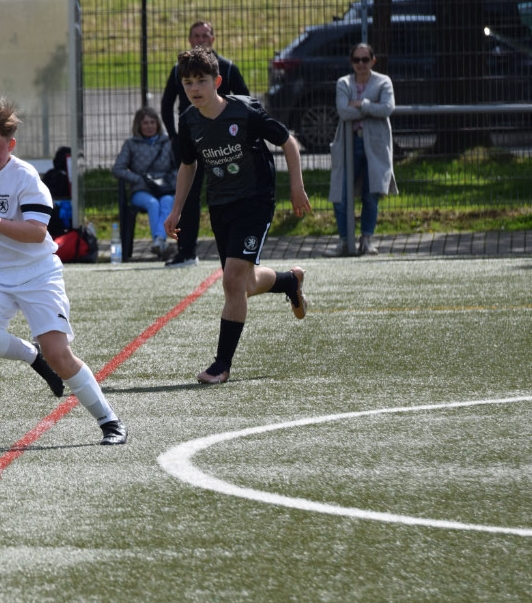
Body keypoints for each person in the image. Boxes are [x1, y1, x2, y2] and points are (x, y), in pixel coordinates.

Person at [0, 98, 127, 446]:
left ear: (10, 144)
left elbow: (37, 232)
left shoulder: (26, 177)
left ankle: (109, 420)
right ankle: (32, 355)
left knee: (59, 354)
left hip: (38, 273)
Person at [164, 47, 311, 385]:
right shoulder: (188, 121)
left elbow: (288, 142)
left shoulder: (244, 112)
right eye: (188, 82)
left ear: (216, 81)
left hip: (255, 201)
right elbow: (188, 165)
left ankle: (221, 365)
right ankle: (289, 281)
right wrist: (176, 210)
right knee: (244, 284)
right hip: (221, 204)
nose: (194, 88)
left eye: (201, 80)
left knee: (232, 280)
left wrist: (297, 187)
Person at [160, 20, 250, 268]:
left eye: (205, 35)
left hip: (226, 147)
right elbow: (166, 105)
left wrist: (239, 138)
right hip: (193, 142)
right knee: (188, 196)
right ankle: (186, 251)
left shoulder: (228, 68)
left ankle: (239, 250)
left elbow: (247, 102)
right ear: (190, 40)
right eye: (196, 36)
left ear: (213, 38)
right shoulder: (178, 71)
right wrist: (174, 137)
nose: (201, 39)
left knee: (231, 194)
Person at [325, 42, 398, 257]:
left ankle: (366, 240)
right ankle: (344, 241)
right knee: (340, 194)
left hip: (375, 145)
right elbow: (343, 111)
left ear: (373, 61)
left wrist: (362, 105)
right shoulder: (344, 83)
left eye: (365, 59)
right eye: (356, 60)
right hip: (349, 143)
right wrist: (372, 108)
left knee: (371, 194)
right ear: (351, 62)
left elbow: (387, 108)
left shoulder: (383, 81)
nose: (361, 64)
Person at [112, 106, 177, 258]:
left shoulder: (167, 142)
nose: (149, 126)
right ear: (139, 125)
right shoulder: (131, 144)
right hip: (141, 190)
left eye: (152, 122)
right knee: (153, 204)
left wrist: (170, 180)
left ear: (158, 124)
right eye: (145, 123)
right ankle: (160, 242)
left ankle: (159, 241)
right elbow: (117, 169)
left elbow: (178, 167)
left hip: (164, 187)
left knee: (167, 201)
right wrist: (138, 180)